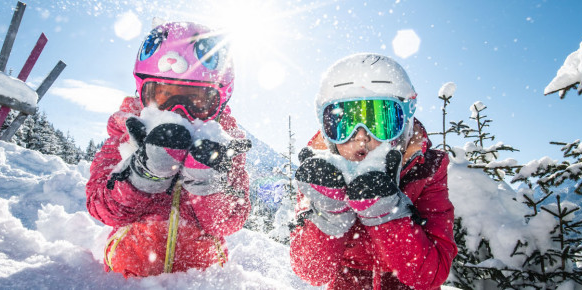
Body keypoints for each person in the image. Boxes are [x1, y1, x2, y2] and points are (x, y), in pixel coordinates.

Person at [86, 21, 252, 278]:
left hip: (199, 281)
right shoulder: (124, 134)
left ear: (220, 103)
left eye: (196, 101)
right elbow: (102, 208)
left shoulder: (225, 148)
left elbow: (230, 221)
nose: (179, 113)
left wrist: (205, 182)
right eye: (164, 97)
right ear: (142, 93)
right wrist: (143, 174)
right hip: (125, 279)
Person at [290, 53, 457, 290]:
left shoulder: (425, 171)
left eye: (380, 120)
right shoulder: (320, 175)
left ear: (405, 124)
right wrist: (330, 214)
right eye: (343, 124)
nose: (361, 136)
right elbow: (312, 272)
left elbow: (431, 275)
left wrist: (387, 214)